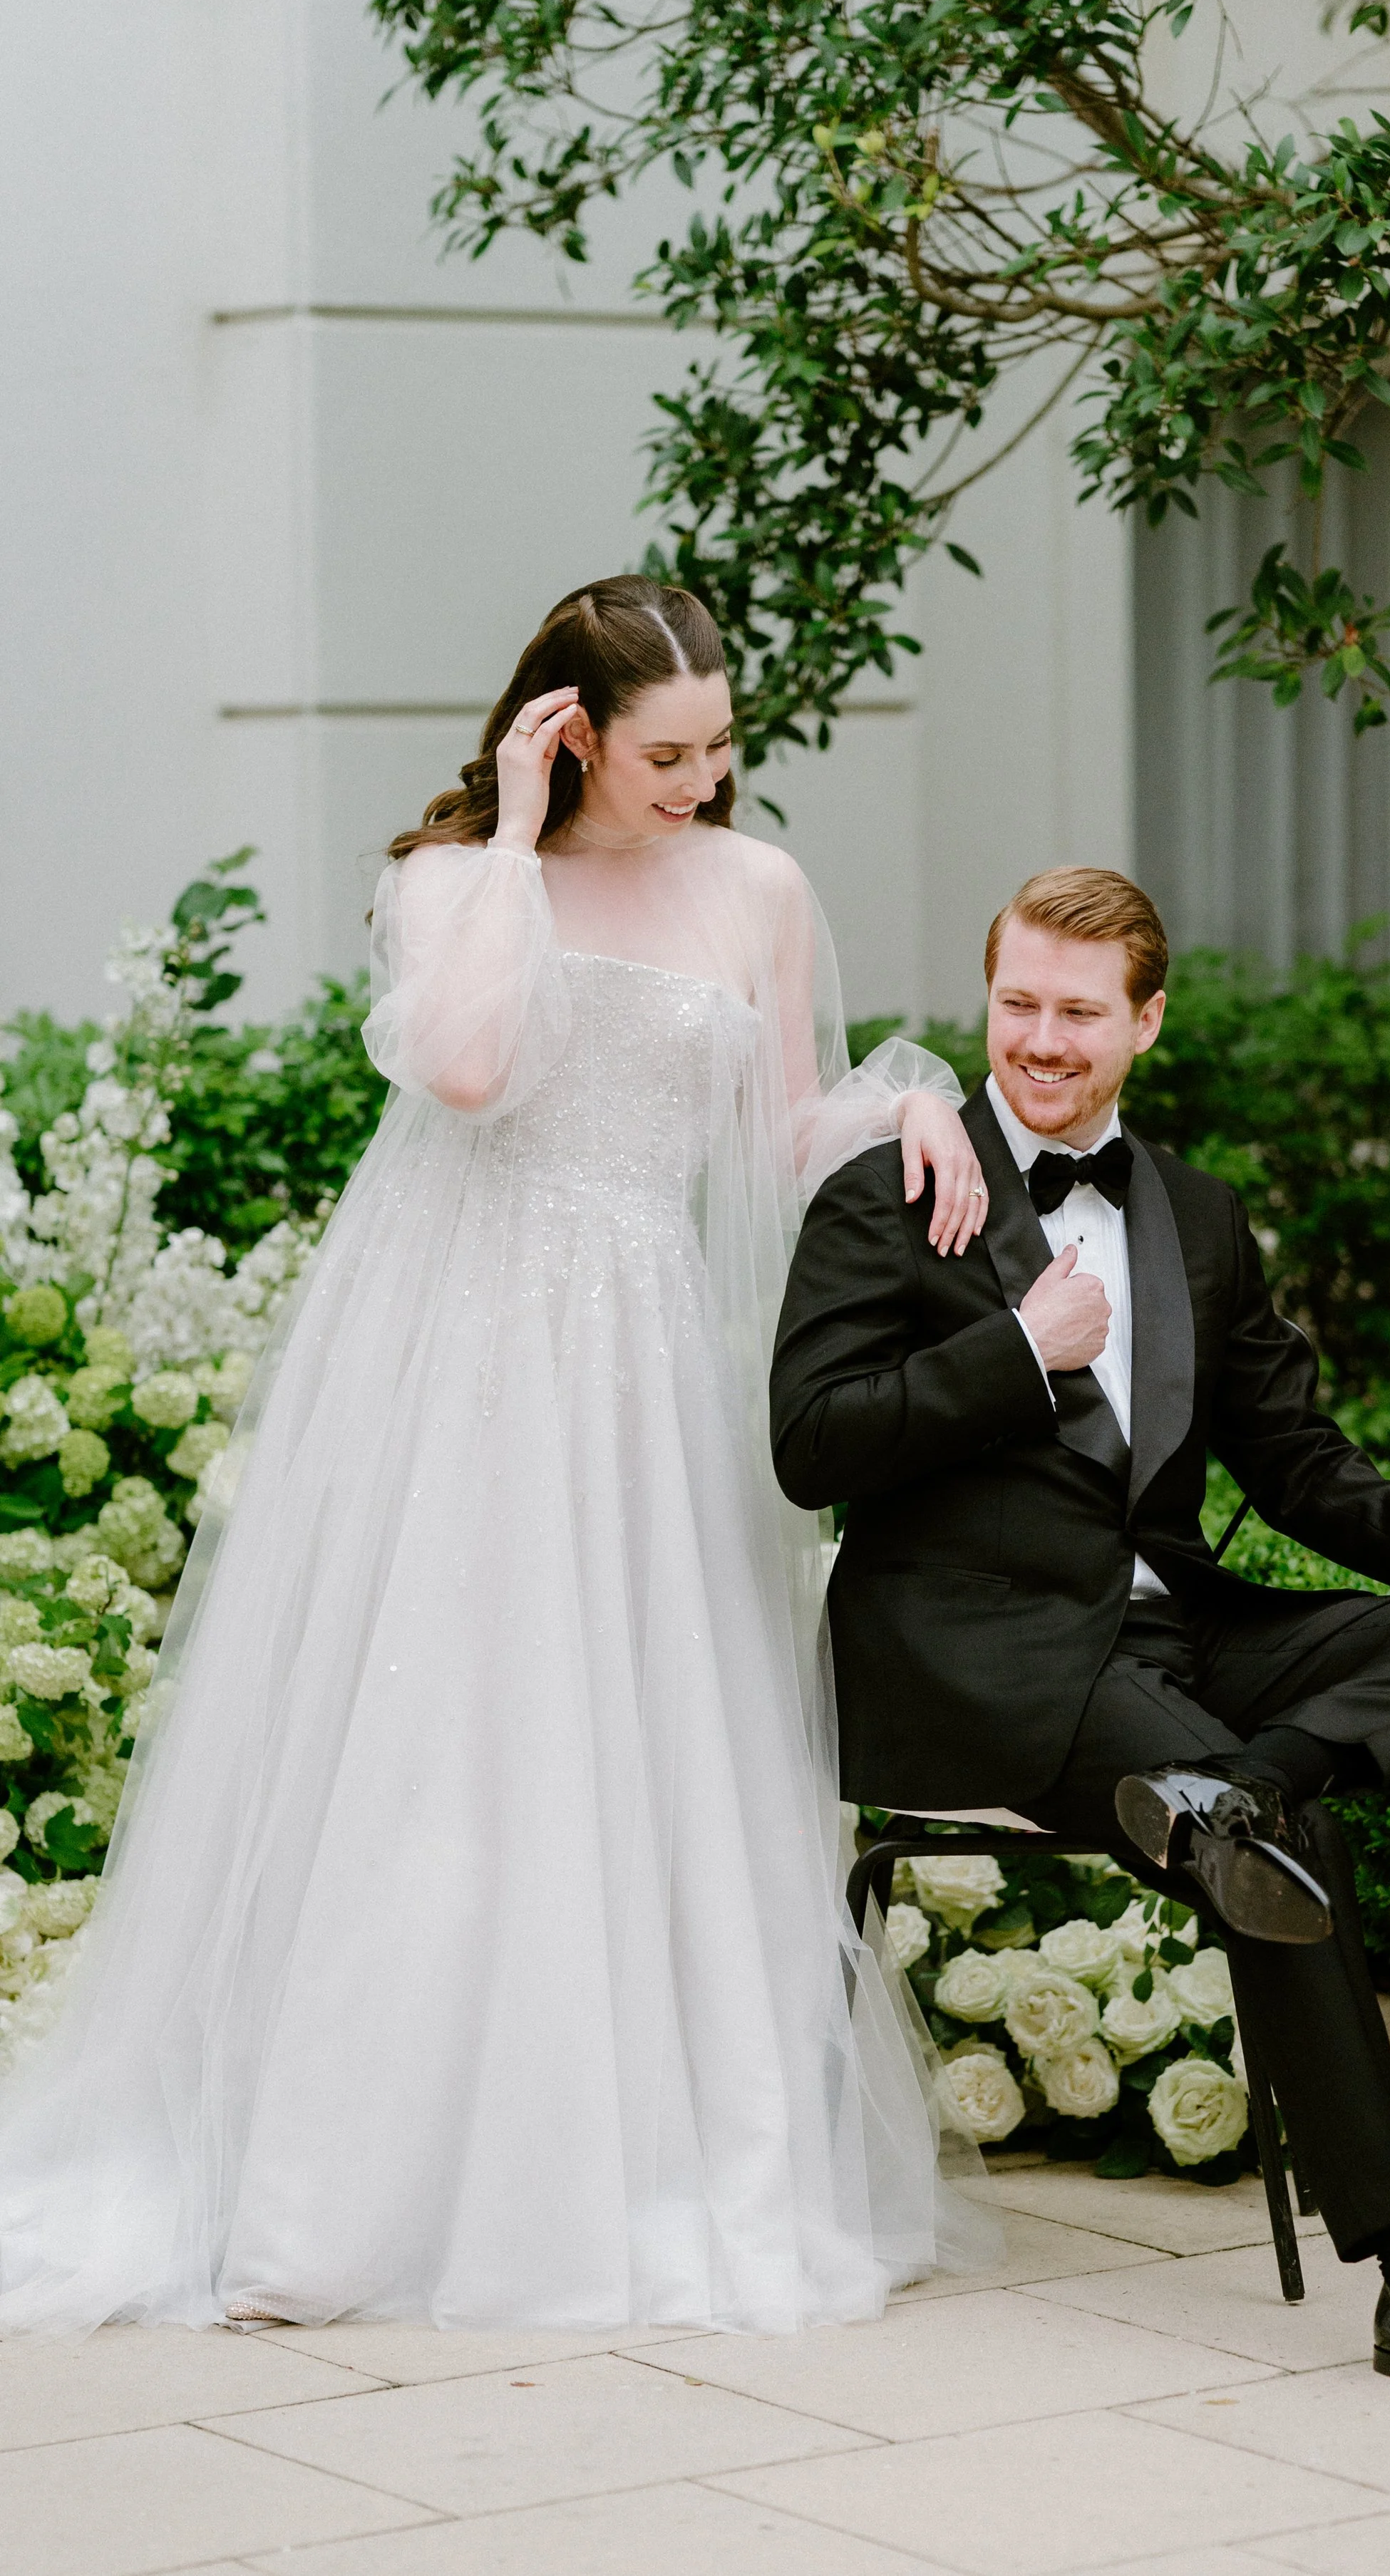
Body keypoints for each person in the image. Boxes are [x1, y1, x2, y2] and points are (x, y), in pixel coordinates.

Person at [0, 575, 996, 2336]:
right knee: (430, 1729)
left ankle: (622, 2152)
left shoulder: (758, 888)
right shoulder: (455, 883)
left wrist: (911, 1098)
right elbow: (464, 1072)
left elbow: (774, 1134)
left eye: (719, 749)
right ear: (571, 728)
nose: (699, 782)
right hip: (452, 1353)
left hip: (633, 1356)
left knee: (624, 1731)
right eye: (664, 752)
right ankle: (343, 2176)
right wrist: (521, 842)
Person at [771, 864, 1390, 2411]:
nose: (1037, 1038)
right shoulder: (891, 1194)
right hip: (975, 1657)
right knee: (1288, 1859)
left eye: (1076, 1012)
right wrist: (1016, 1357)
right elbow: (809, 1446)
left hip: (1170, 1640)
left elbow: (1293, 1458)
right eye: (1015, 1002)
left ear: (1145, 1021)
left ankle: (1238, 1790)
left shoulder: (1198, 1218)